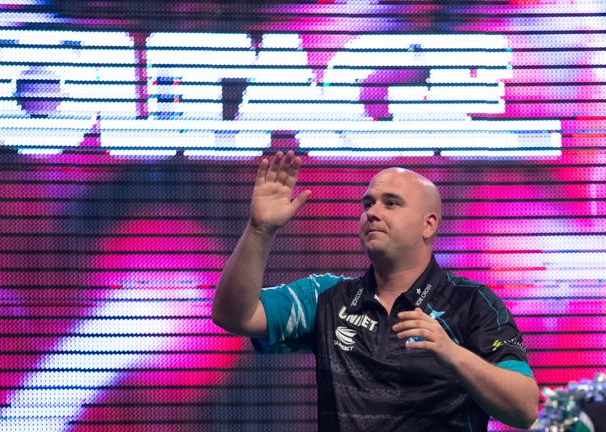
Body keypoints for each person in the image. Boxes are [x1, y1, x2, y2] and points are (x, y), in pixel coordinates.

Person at [211, 150, 539, 431]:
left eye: (391, 203)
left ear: (429, 224)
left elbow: (524, 409)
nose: (372, 212)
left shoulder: (473, 303)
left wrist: (452, 355)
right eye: (368, 203)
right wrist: (259, 230)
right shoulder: (325, 297)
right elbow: (233, 315)